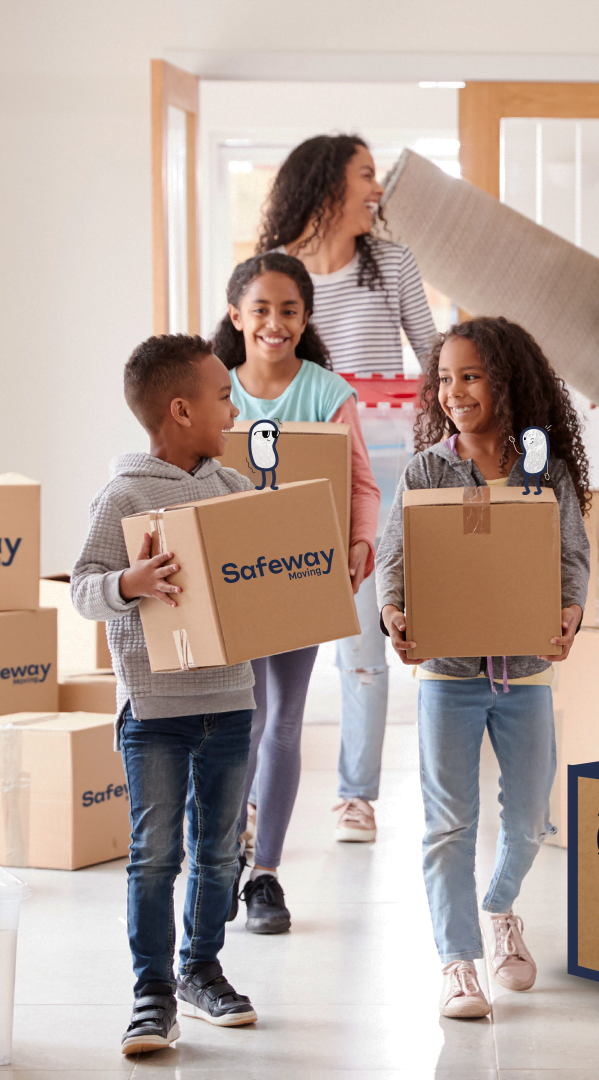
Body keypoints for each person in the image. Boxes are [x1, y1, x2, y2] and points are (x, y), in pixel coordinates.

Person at [375, 317, 591, 1019]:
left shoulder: (543, 471)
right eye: (444, 379)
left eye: (470, 376)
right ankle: (459, 962)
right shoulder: (426, 470)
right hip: (447, 673)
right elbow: (395, 559)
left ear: (508, 382)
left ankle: (500, 908)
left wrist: (570, 610)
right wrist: (394, 613)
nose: (454, 392)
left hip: (525, 672)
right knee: (448, 824)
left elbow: (571, 560)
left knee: (530, 821)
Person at [71, 334, 259, 1054]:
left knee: (218, 851)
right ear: (181, 410)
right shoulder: (123, 495)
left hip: (231, 701)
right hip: (154, 712)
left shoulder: (233, 488)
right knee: (155, 854)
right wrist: (130, 583)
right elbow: (85, 588)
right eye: (221, 395)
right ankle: (151, 991)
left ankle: (200, 969)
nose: (232, 404)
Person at [258, 133, 438, 844]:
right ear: (328, 184)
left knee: (364, 639)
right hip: (293, 470)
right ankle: (253, 794)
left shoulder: (390, 264)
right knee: (271, 636)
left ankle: (355, 796)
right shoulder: (278, 279)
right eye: (366, 175)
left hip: (380, 470)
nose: (377, 189)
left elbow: (435, 360)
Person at [211, 252, 381, 934]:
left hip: (301, 575)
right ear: (236, 316)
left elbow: (362, 485)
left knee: (283, 719)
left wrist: (360, 548)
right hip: (232, 578)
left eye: (289, 311)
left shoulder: (327, 393)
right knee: (239, 724)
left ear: (305, 318)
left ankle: (266, 874)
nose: (275, 324)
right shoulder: (213, 385)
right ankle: (225, 857)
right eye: (261, 310)